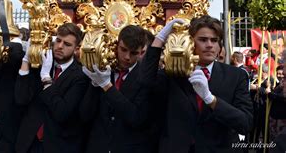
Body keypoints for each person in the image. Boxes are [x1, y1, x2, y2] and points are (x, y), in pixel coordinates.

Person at [141, 15, 253, 152]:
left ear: (220, 45)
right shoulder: (174, 74)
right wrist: (160, 38)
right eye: (203, 40)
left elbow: (245, 123)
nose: (209, 45)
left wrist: (211, 100)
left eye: (214, 40)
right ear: (191, 43)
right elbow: (145, 82)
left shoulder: (236, 76)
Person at [80, 25, 155, 153]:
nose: (127, 57)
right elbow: (85, 115)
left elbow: (135, 117)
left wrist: (107, 86)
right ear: (116, 45)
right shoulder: (103, 69)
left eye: (133, 53)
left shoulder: (147, 77)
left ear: (142, 52)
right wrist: (94, 84)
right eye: (123, 49)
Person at [15, 23, 88, 153]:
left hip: (58, 145)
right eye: (58, 40)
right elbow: (21, 99)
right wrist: (26, 61)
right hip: (29, 143)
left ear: (76, 48)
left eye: (67, 44)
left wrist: (46, 78)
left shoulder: (80, 75)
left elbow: (62, 112)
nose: (60, 46)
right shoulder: (39, 63)